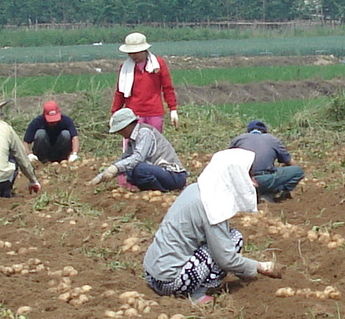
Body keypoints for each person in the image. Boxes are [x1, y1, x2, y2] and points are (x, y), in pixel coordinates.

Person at [143, 147, 281, 302]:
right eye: (249, 176)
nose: (254, 183)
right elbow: (226, 259)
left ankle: (234, 274)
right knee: (233, 239)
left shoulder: (197, 189)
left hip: (151, 274)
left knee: (223, 240)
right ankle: (198, 293)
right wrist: (260, 267)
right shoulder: (213, 204)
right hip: (170, 282)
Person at [94, 108, 190, 192]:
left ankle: (160, 191)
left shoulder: (144, 133)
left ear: (126, 126)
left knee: (140, 169)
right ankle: (152, 190)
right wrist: (100, 177)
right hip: (160, 174)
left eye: (119, 130)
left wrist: (115, 168)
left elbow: (138, 157)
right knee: (130, 170)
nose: (119, 133)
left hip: (174, 175)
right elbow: (125, 160)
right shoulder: (132, 140)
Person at [111, 32, 179, 131]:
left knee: (154, 139)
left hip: (154, 112)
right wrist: (114, 113)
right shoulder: (125, 68)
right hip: (132, 115)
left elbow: (167, 88)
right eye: (130, 53)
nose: (133, 56)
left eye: (136, 52)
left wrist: (173, 109)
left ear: (144, 50)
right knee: (133, 140)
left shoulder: (157, 65)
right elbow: (120, 93)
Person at [230, 119, 304, 200]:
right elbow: (290, 162)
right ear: (264, 131)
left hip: (242, 181)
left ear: (248, 130)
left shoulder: (238, 139)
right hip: (263, 180)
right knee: (298, 171)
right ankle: (274, 192)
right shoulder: (272, 140)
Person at [25, 100, 80, 165]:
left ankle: (62, 159)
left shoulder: (66, 120)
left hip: (59, 151)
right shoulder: (37, 122)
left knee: (66, 134)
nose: (53, 123)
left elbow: (75, 137)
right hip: (43, 152)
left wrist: (74, 153)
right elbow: (25, 142)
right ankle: (44, 161)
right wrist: (29, 154)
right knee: (40, 133)